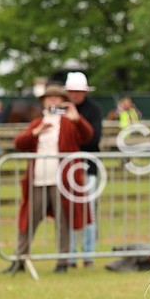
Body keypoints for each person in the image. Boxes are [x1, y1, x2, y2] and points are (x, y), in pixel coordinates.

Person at [3, 85, 94, 274]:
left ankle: (62, 261)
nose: (52, 100)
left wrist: (77, 120)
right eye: (48, 97)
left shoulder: (70, 122)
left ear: (63, 101)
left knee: (63, 220)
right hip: (38, 179)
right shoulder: (37, 122)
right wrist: (35, 133)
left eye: (56, 97)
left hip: (62, 180)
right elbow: (19, 143)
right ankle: (19, 258)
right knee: (28, 219)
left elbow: (87, 136)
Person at [63, 71, 102, 267]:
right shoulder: (61, 111)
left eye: (78, 91)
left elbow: (94, 138)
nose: (75, 95)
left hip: (87, 167)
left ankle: (88, 255)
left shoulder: (93, 110)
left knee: (88, 211)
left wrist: (78, 120)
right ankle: (69, 256)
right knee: (68, 212)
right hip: (66, 168)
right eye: (72, 91)